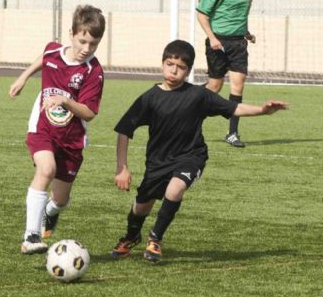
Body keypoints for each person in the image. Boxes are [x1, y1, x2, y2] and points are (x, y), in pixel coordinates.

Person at [110, 40, 288, 263]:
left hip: (190, 156)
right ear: (162, 64)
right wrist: (122, 168)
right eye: (169, 64)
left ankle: (155, 238)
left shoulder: (198, 95)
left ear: (189, 70)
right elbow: (124, 130)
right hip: (158, 161)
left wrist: (263, 110)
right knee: (140, 207)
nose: (174, 70)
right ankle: (131, 236)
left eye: (181, 67)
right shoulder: (150, 97)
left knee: (174, 191)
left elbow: (234, 107)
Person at [8, 5, 106, 255]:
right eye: (82, 40)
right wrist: (23, 77)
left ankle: (49, 213)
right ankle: (31, 236)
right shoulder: (53, 49)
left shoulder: (93, 71)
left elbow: (89, 113)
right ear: (71, 33)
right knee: (46, 169)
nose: (86, 48)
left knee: (60, 200)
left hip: (71, 139)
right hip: (42, 127)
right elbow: (44, 59)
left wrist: (66, 101)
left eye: (93, 44)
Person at [196, 0, 255, 148]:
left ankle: (232, 133)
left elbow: (240, 14)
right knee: (215, 87)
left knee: (238, 85)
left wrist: (246, 32)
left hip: (238, 44)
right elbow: (202, 14)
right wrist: (212, 38)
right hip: (218, 43)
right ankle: (188, 107)